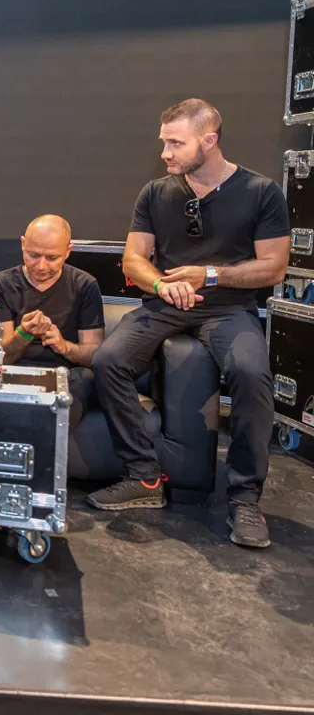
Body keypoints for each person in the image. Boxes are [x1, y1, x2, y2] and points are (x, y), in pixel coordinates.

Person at [89, 99, 289, 549]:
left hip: (228, 308)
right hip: (165, 303)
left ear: (209, 140)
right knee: (108, 361)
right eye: (164, 142)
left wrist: (210, 275)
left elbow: (274, 267)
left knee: (251, 373)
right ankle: (144, 477)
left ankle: (244, 498)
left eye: (175, 143)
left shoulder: (260, 191)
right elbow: (133, 259)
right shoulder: (155, 192)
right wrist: (162, 284)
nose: (165, 153)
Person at [0, 215, 105, 430]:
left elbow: (94, 355)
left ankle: (46, 434)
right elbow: (0, 358)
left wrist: (64, 346)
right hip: (16, 371)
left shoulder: (84, 285)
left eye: (52, 257)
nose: (41, 266)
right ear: (23, 245)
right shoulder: (0, 285)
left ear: (68, 251)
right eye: (33, 255)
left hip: (65, 375)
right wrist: (23, 334)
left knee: (86, 378)